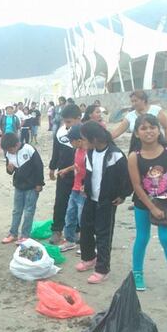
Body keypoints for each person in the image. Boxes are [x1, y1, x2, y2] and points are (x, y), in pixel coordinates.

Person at [127, 114, 167, 293]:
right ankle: (137, 273)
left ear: (159, 129)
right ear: (137, 133)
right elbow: (136, 185)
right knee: (142, 238)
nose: (149, 131)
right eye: (144, 128)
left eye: (152, 127)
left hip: (166, 203)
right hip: (143, 204)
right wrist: (152, 208)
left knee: (166, 238)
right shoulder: (134, 156)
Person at [76, 121, 132, 284]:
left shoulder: (115, 154)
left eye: (84, 139)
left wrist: (123, 195)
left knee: (103, 234)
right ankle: (89, 258)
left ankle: (102, 269)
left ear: (94, 139)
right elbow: (89, 173)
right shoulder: (91, 153)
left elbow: (126, 177)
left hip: (107, 201)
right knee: (85, 227)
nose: (82, 143)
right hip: (91, 198)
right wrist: (85, 186)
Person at [0, 133, 45, 244]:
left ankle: (25, 235)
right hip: (18, 186)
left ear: (17, 144)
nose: (9, 152)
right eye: (7, 150)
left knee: (29, 211)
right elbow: (10, 171)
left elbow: (39, 166)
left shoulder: (29, 149)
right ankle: (13, 233)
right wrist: (9, 169)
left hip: (32, 186)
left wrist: (39, 183)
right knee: (16, 211)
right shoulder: (8, 153)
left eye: (10, 149)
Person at [48, 104, 79, 246]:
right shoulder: (60, 132)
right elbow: (56, 151)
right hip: (63, 174)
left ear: (78, 119)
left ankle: (76, 231)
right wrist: (52, 168)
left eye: (69, 122)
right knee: (60, 201)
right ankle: (57, 230)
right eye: (64, 121)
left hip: (80, 175)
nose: (66, 125)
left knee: (78, 204)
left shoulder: (84, 132)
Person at [58, 124, 88, 252]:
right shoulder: (77, 150)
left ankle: (87, 244)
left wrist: (86, 186)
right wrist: (67, 169)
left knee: (83, 219)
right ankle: (70, 240)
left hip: (83, 191)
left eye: (72, 141)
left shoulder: (89, 153)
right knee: (70, 216)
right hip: (74, 189)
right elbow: (77, 165)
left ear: (79, 140)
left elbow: (93, 172)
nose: (70, 143)